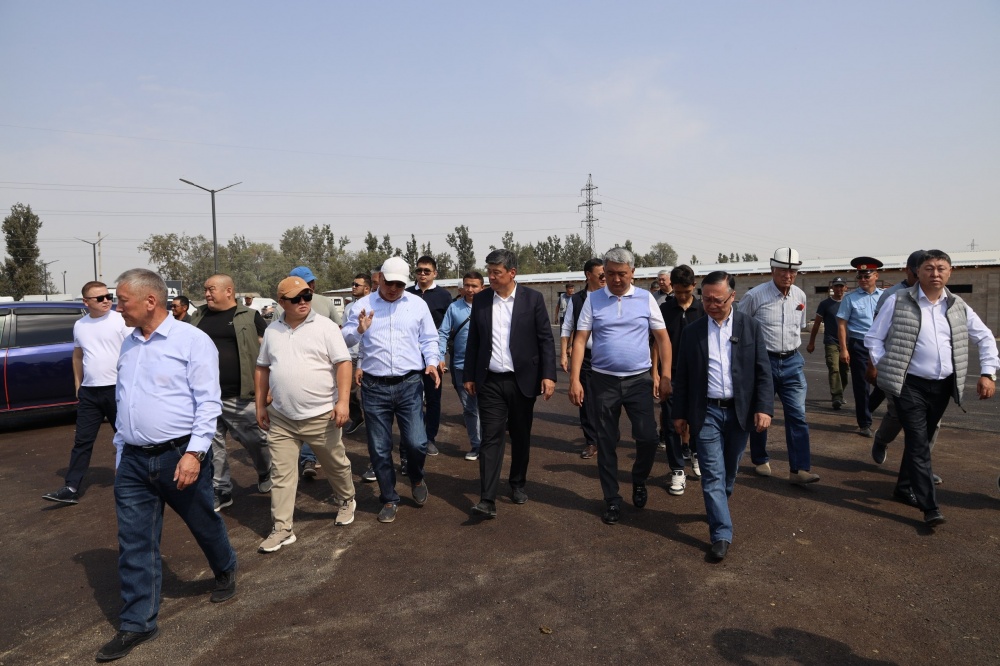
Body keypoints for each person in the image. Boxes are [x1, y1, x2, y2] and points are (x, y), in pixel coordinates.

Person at [96, 269, 236, 663]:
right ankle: (138, 622)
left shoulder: (191, 340)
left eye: (123, 301)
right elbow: (125, 401)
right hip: (133, 460)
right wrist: (121, 452)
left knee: (202, 521)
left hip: (179, 455)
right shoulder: (128, 343)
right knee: (135, 541)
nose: (117, 308)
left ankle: (225, 566)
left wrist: (195, 454)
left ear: (150, 301)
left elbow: (208, 402)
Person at [865, 250, 997, 526]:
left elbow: (985, 337)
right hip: (909, 384)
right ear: (917, 272)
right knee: (918, 440)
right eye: (929, 268)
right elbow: (874, 337)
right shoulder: (898, 300)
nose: (935, 273)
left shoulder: (958, 305)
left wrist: (988, 373)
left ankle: (904, 488)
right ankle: (930, 507)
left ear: (950, 272)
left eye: (941, 268)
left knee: (921, 440)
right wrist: (885, 364)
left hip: (942, 387)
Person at [673, 271, 773, 560]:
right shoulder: (693, 332)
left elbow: (763, 371)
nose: (711, 305)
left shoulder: (750, 327)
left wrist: (764, 407)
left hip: (740, 412)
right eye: (706, 299)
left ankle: (718, 506)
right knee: (712, 474)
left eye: (718, 300)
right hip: (706, 412)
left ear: (732, 296)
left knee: (729, 471)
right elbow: (683, 377)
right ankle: (721, 533)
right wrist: (679, 414)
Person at [568, 247, 671, 525]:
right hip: (603, 381)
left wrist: (665, 375)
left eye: (622, 274)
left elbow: (663, 339)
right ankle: (612, 499)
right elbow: (580, 340)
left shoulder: (646, 299)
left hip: (639, 381)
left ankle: (639, 479)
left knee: (648, 437)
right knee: (606, 441)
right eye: (610, 273)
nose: (615, 279)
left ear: (632, 273)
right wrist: (575, 379)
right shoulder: (594, 300)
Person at [254, 276, 356, 551]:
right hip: (281, 418)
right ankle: (282, 528)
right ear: (281, 302)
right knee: (282, 475)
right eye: (296, 298)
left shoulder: (326, 327)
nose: (303, 302)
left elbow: (343, 363)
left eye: (307, 296)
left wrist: (343, 402)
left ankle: (346, 499)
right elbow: (262, 367)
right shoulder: (273, 331)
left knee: (335, 465)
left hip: (321, 415)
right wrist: (260, 404)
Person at [342, 257, 440, 524]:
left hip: (409, 383)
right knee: (379, 447)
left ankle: (416, 476)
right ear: (380, 279)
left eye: (400, 284)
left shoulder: (417, 305)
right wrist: (359, 329)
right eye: (390, 283)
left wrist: (431, 362)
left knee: (417, 442)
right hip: (374, 387)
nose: (394, 289)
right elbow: (345, 338)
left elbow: (429, 339)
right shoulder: (362, 306)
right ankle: (389, 498)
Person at [464, 248, 557, 519]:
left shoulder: (533, 299)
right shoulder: (482, 300)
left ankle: (517, 483)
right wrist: (469, 375)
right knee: (491, 437)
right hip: (490, 380)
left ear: (512, 273)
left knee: (520, 435)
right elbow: (474, 340)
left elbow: (545, 339)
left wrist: (548, 375)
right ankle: (487, 499)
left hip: (522, 380)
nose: (491, 277)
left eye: (497, 272)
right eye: (489, 272)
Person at [189, 274, 272, 512]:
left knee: (256, 441)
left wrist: (269, 388)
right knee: (213, 446)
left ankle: (266, 470)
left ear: (228, 291)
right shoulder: (198, 317)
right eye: (205, 289)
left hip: (240, 396)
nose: (206, 294)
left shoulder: (250, 316)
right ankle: (222, 490)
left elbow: (270, 351)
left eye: (211, 289)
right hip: (205, 397)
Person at [43, 281, 130, 505]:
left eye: (108, 296)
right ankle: (71, 487)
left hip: (117, 388)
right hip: (90, 392)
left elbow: (135, 351)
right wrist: (78, 384)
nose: (106, 301)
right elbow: (78, 356)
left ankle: (134, 483)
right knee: (82, 441)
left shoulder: (120, 319)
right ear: (86, 302)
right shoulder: (80, 325)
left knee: (126, 438)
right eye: (100, 298)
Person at [740, 247, 819, 484]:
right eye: (783, 270)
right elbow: (740, 328)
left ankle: (800, 470)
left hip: (793, 362)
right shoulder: (755, 296)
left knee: (798, 415)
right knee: (761, 413)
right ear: (772, 269)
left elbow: (800, 326)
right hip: (763, 362)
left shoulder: (800, 296)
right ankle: (760, 459)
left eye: (793, 271)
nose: (788, 275)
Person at [870, 250, 940, 471]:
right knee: (898, 414)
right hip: (899, 370)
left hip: (929, 373)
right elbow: (877, 333)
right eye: (919, 271)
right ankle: (882, 439)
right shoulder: (892, 296)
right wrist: (876, 364)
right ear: (909, 270)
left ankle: (920, 469)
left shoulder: (936, 296)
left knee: (933, 421)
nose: (924, 276)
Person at [656, 264, 706, 494]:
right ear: (672, 287)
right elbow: (656, 343)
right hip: (671, 374)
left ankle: (695, 453)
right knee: (670, 423)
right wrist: (657, 375)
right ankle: (677, 469)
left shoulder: (703, 309)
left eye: (687, 291)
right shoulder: (664, 310)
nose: (682, 296)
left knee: (698, 420)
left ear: (694, 286)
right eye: (678, 292)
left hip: (699, 376)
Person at [288, 265, 342, 480]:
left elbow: (338, 332)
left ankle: (311, 458)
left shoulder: (323, 302)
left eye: (311, 282)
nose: (311, 286)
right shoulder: (284, 307)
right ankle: (311, 457)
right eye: (307, 282)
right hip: (297, 372)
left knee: (314, 416)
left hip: (320, 370)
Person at [406, 255, 453, 456]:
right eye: (419, 270)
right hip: (409, 355)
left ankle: (430, 438)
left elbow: (447, 328)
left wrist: (440, 355)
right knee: (410, 399)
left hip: (432, 355)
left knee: (433, 398)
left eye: (427, 271)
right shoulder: (407, 293)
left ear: (435, 273)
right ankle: (412, 438)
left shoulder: (444, 296)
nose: (422, 274)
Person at [560, 258, 605, 459]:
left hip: (607, 357)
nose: (605, 278)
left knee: (608, 399)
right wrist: (564, 353)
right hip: (585, 356)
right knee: (585, 401)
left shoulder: (610, 295)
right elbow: (567, 326)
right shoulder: (577, 299)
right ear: (588, 275)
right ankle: (592, 441)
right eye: (601, 275)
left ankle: (608, 435)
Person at [439, 271, 485, 460]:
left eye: (474, 286)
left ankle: (488, 445)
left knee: (487, 407)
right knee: (469, 408)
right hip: (461, 366)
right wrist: (440, 356)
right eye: (467, 285)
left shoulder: (490, 306)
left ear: (482, 287)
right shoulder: (454, 308)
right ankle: (477, 445)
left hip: (486, 367)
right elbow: (443, 333)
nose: (470, 289)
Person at [837, 257, 885, 436]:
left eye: (867, 276)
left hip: (881, 345)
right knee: (862, 385)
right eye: (860, 277)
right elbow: (842, 324)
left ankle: (867, 408)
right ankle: (864, 423)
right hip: (860, 345)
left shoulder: (885, 297)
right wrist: (844, 348)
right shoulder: (850, 298)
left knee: (886, 383)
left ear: (876, 276)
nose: (863, 280)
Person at [806, 277, 849, 409]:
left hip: (847, 343)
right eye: (836, 286)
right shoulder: (825, 304)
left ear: (845, 288)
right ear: (832, 288)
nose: (839, 289)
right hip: (831, 342)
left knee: (844, 371)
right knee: (834, 368)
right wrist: (811, 342)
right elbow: (817, 324)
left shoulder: (849, 302)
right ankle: (836, 397)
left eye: (841, 286)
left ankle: (840, 392)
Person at [344, 273, 370, 436]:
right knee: (349, 390)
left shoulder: (374, 305)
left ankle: (373, 421)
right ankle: (357, 417)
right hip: (351, 355)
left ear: (366, 288)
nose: (353, 287)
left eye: (357, 285)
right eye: (352, 284)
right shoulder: (349, 308)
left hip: (370, 356)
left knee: (370, 393)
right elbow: (345, 331)